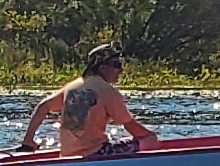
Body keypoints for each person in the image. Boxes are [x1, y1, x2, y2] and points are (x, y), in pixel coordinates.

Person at [18, 42, 154, 158]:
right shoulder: (107, 91)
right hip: (95, 154)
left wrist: (28, 140)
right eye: (116, 65)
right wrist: (150, 135)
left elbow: (43, 106)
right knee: (149, 140)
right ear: (102, 67)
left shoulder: (72, 86)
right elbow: (132, 127)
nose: (120, 70)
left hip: (68, 155)